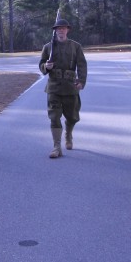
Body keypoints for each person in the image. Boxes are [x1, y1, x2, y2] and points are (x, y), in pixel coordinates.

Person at [39, 18, 87, 158]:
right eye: (58, 28)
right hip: (54, 87)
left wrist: (81, 81)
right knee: (54, 117)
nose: (61, 30)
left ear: (67, 30)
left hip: (70, 86)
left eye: (63, 28)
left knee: (72, 117)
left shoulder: (75, 46)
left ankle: (68, 134)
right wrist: (45, 67)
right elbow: (42, 64)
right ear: (55, 30)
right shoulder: (48, 47)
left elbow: (82, 65)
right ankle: (56, 146)